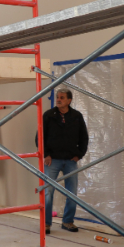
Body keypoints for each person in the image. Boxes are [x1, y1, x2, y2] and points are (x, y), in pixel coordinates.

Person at [40, 89, 90, 233]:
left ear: (69, 100)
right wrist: (46, 154)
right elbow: (40, 136)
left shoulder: (76, 116)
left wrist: (79, 154)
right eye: (57, 97)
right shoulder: (49, 115)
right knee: (48, 192)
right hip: (52, 160)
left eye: (62, 97)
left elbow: (84, 137)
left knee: (72, 193)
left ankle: (68, 221)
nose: (58, 99)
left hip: (70, 161)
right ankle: (46, 224)